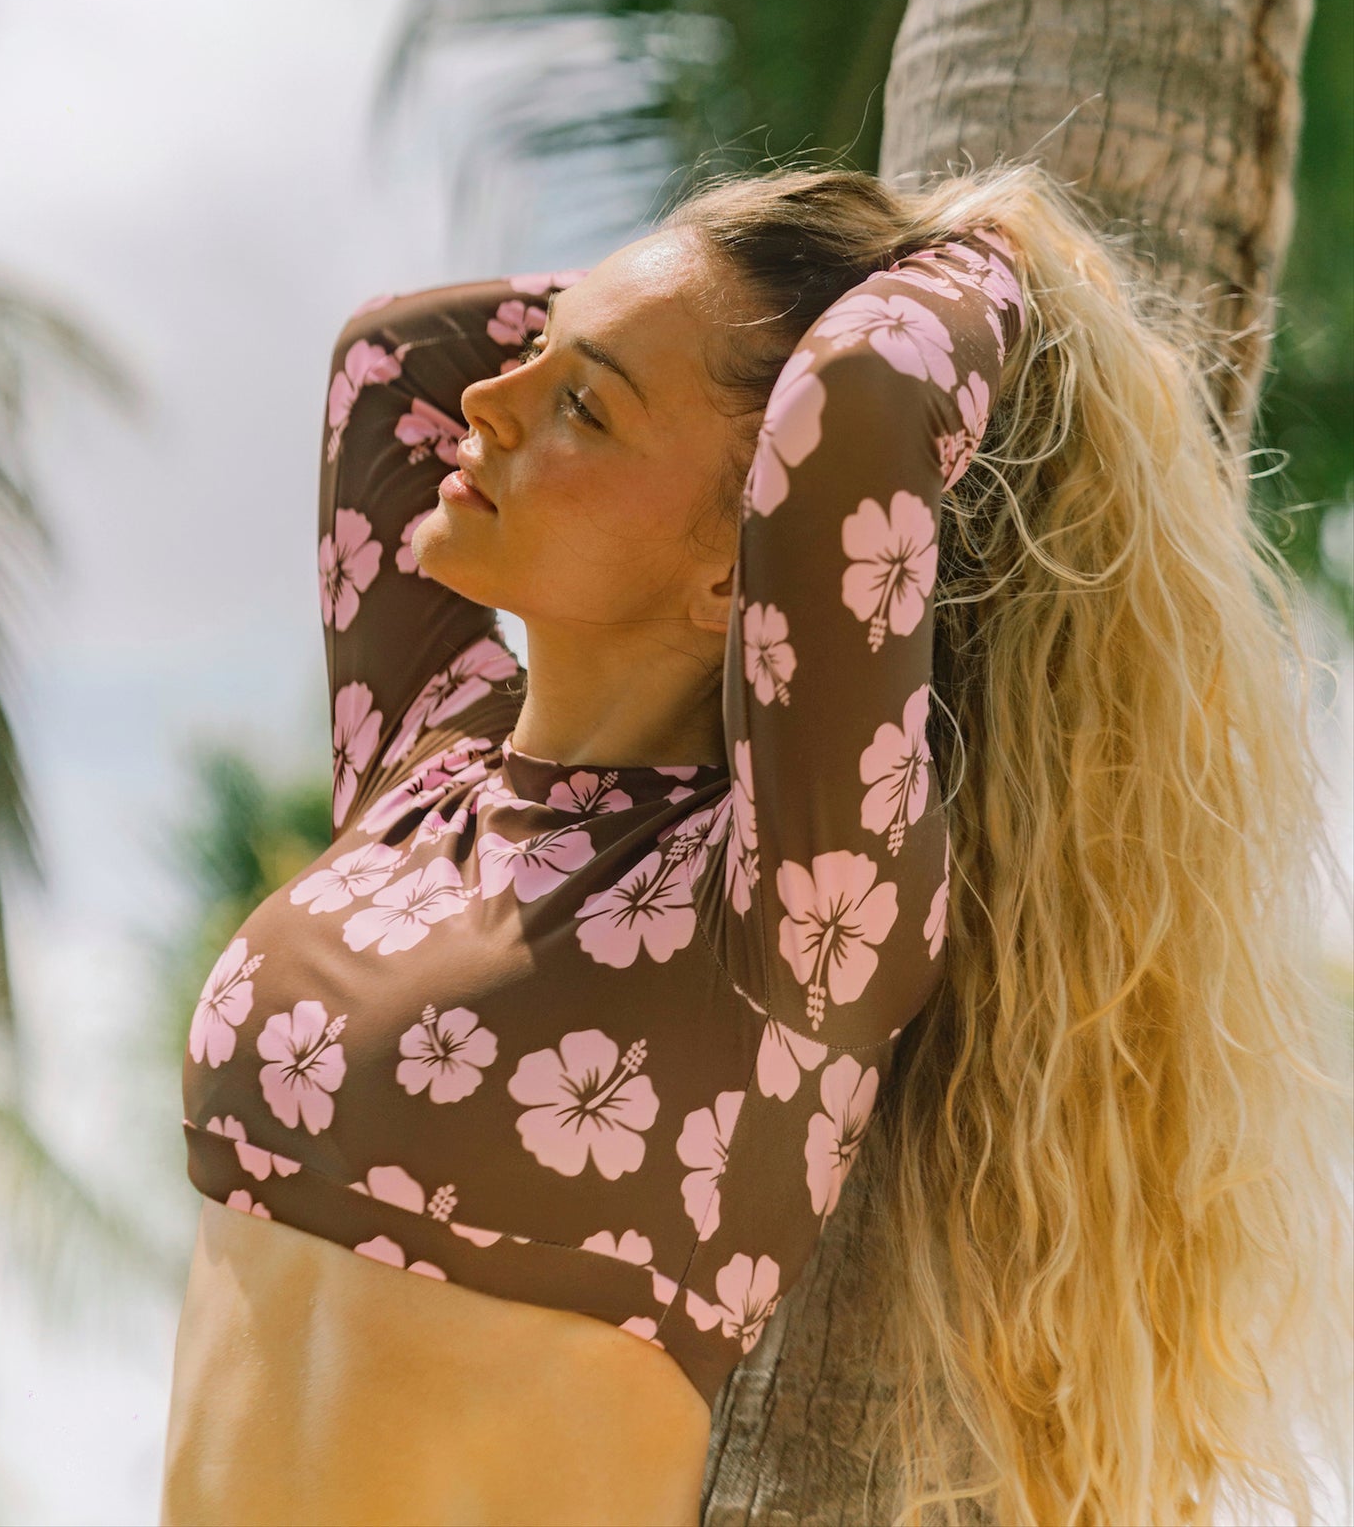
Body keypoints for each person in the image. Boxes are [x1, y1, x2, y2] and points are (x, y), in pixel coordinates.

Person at [160, 161, 1351, 1527]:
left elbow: (857, 404)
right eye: (539, 366)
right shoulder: (421, 766)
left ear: (743, 561)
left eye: (581, 406)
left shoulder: (785, 913)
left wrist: (999, 255)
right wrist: (651, 318)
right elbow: (390, 360)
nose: (488, 407)